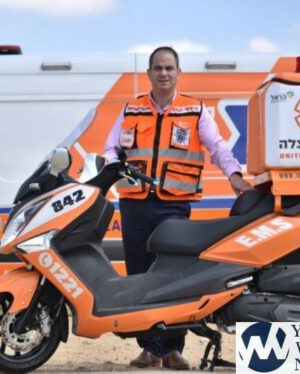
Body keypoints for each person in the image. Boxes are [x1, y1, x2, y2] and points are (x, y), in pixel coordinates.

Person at [103, 46, 251, 370]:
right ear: (149, 73)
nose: (164, 73)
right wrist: (111, 167)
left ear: (179, 72)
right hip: (134, 205)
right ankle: (149, 349)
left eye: (169, 68)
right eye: (158, 68)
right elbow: (110, 148)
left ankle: (173, 350)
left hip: (173, 206)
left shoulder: (196, 110)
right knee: (140, 277)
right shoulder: (131, 109)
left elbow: (218, 147)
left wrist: (234, 176)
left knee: (174, 279)